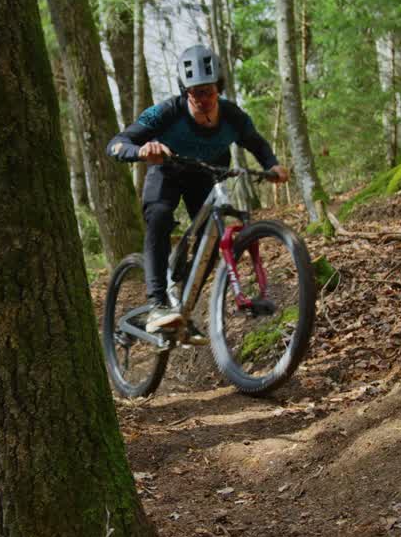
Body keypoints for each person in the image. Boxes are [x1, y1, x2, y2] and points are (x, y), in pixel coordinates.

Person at [107, 44, 289, 335]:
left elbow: (256, 143)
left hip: (206, 175)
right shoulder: (166, 112)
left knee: (211, 242)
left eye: (209, 91)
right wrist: (142, 151)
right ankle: (157, 303)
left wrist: (273, 165)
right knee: (160, 216)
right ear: (185, 92)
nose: (203, 99)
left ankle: (183, 308)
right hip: (166, 173)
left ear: (219, 88)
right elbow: (116, 144)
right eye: (195, 93)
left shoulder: (233, 116)